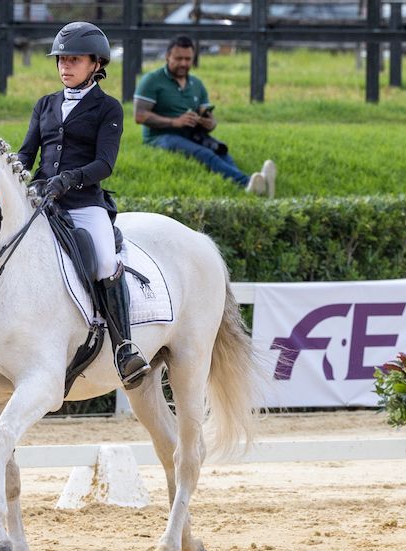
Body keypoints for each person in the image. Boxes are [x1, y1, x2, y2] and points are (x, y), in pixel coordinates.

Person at [17, 21, 151, 389]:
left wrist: (69, 179)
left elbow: (104, 164)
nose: (64, 66)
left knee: (106, 262)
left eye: (74, 59)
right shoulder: (45, 104)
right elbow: (27, 154)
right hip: (42, 202)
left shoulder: (108, 108)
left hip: (83, 203)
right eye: (61, 59)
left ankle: (124, 347)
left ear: (96, 63)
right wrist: (8, 174)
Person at [134, 36, 277, 198]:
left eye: (188, 59)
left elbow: (208, 114)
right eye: (178, 58)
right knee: (204, 154)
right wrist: (175, 122)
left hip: (193, 134)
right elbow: (140, 116)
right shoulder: (152, 80)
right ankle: (250, 184)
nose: (183, 63)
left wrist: (209, 123)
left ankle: (255, 185)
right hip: (162, 137)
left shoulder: (196, 84)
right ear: (167, 56)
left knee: (221, 151)